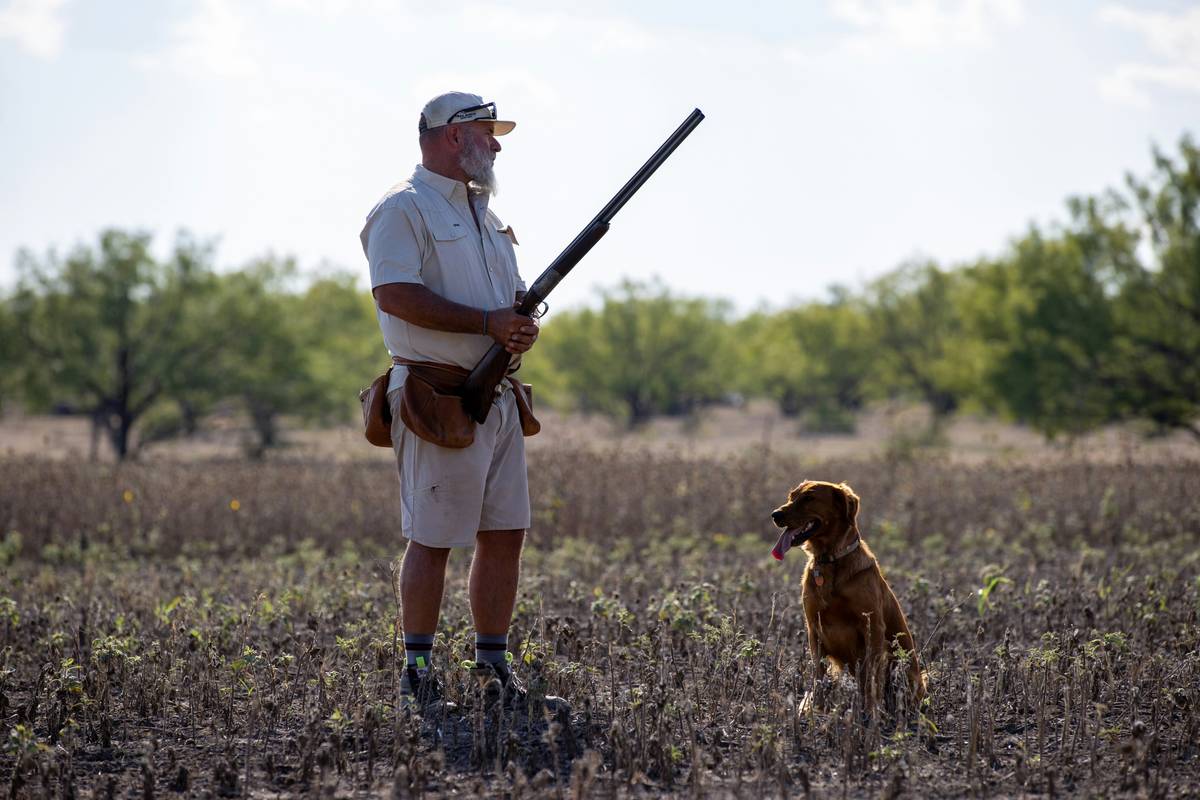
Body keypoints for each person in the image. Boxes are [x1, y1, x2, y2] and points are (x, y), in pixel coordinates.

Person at [360, 91, 560, 713]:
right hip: (436, 394)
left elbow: (507, 303)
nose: (496, 145)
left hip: (495, 396)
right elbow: (394, 294)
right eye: (485, 133)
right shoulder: (403, 208)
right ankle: (417, 669)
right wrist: (487, 321)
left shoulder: (484, 215)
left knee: (505, 533)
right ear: (452, 138)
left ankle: (491, 662)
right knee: (435, 537)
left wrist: (517, 323)